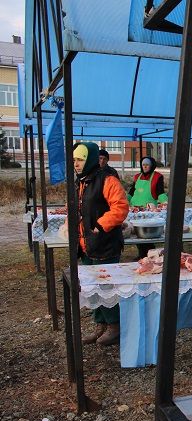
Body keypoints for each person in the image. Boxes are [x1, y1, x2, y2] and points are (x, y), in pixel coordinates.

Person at [73, 142, 129, 346]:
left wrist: (99, 225)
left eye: (80, 159)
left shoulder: (108, 180)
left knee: (106, 286)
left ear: (90, 159)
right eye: (75, 160)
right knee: (92, 286)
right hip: (87, 244)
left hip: (105, 243)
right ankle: (101, 324)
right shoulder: (81, 181)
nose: (77, 164)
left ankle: (115, 326)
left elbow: (121, 207)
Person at [127, 156, 168, 259]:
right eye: (143, 165)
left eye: (147, 165)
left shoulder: (157, 177)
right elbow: (132, 191)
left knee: (148, 234)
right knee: (137, 233)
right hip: (135, 209)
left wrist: (165, 202)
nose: (145, 167)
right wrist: (125, 200)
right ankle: (142, 254)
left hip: (149, 210)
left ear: (152, 166)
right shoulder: (137, 177)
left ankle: (149, 255)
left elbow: (160, 192)